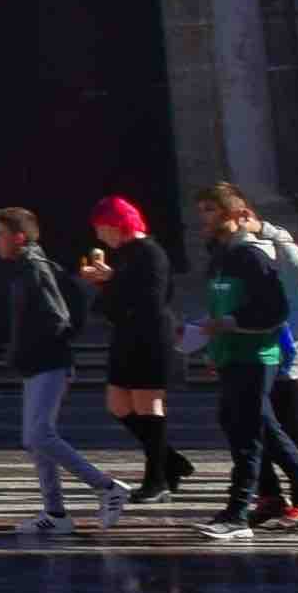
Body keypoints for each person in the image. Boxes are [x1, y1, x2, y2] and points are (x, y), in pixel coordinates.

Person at [195, 187, 298, 533]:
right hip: (231, 354)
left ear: (233, 215)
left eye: (210, 209)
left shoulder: (252, 256)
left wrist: (230, 324)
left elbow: (274, 309)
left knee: (248, 433)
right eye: (201, 210)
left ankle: (238, 513)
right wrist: (209, 342)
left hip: (256, 354)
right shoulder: (221, 256)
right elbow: (220, 305)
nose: (203, 217)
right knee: (258, 428)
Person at [0, 205, 124, 537]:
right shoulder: (25, 268)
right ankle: (55, 512)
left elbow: (57, 317)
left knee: (39, 436)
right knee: (36, 440)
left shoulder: (34, 268)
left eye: (0, 234)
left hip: (49, 362)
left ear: (18, 238)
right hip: (38, 363)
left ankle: (107, 487)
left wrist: (34, 347)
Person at [83, 196, 191, 499]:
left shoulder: (149, 252)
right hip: (127, 336)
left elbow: (150, 298)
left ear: (118, 224)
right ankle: (170, 460)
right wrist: (107, 282)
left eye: (103, 228)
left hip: (150, 337)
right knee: (118, 405)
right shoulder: (125, 254)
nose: (100, 236)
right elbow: (117, 297)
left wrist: (112, 281)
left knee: (148, 406)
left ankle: (157, 479)